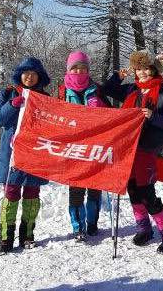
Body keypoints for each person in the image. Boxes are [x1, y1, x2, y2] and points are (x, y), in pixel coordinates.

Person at [101, 51, 163, 255]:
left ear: (153, 69)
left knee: (146, 192)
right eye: (138, 69)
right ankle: (144, 228)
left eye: (146, 68)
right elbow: (106, 90)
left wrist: (153, 116)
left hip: (148, 147)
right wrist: (119, 76)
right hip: (128, 147)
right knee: (132, 188)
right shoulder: (131, 89)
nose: (142, 73)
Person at [0, 57, 51, 253]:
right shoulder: (7, 94)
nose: (29, 77)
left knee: (32, 194)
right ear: (20, 75)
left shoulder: (45, 98)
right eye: (26, 73)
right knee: (11, 194)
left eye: (33, 73)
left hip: (36, 153)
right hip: (12, 154)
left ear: (39, 76)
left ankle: (27, 235)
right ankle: (6, 237)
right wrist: (13, 105)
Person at [58, 51, 106, 240]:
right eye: (75, 67)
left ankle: (93, 224)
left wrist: (99, 104)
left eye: (83, 67)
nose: (79, 71)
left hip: (95, 146)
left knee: (95, 187)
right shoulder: (61, 92)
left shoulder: (96, 89)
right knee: (76, 189)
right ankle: (78, 227)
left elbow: (112, 115)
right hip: (73, 149)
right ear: (69, 69)